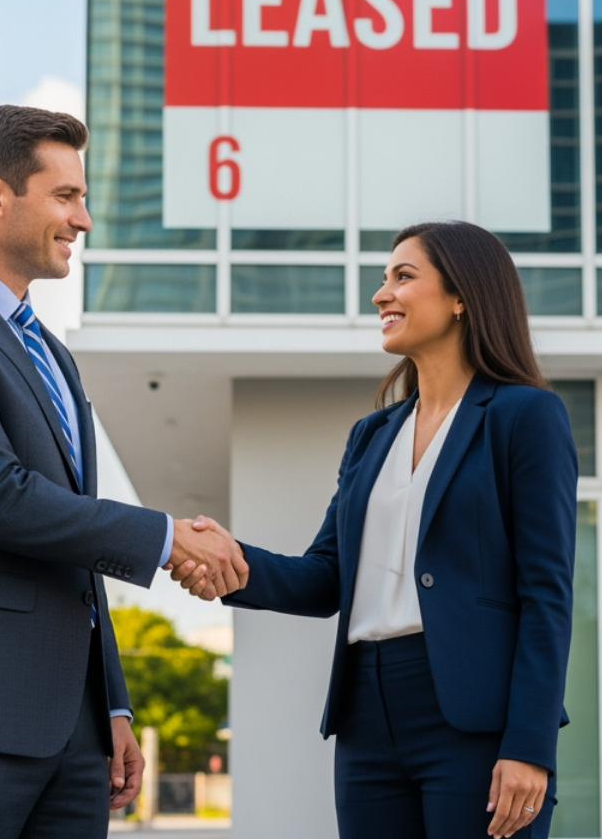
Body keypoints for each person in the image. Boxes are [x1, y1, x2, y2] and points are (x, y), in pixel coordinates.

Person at [0, 104, 247, 839]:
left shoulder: (53, 356)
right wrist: (167, 538)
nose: (84, 219)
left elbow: (74, 541)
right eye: (66, 197)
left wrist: (112, 704)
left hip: (73, 730)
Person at [173, 220, 578, 839]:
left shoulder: (525, 416)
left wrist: (530, 744)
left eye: (403, 277)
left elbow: (547, 593)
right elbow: (326, 578)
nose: (381, 295)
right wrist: (233, 564)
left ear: (462, 295)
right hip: (367, 715)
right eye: (382, 279)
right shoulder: (373, 435)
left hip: (474, 718)